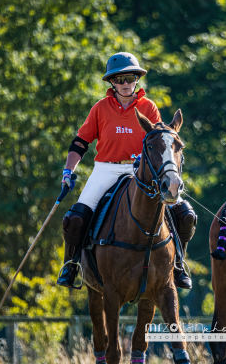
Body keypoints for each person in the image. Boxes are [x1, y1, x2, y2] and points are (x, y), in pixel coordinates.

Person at [57, 52, 197, 290]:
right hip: (106, 170)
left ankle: (179, 264)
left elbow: (161, 142)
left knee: (185, 215)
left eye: (130, 78)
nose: (125, 84)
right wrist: (68, 171)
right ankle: (71, 265)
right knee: (75, 218)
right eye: (119, 79)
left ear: (137, 80)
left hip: (140, 173)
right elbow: (81, 142)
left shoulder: (148, 107)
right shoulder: (100, 108)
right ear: (112, 82)